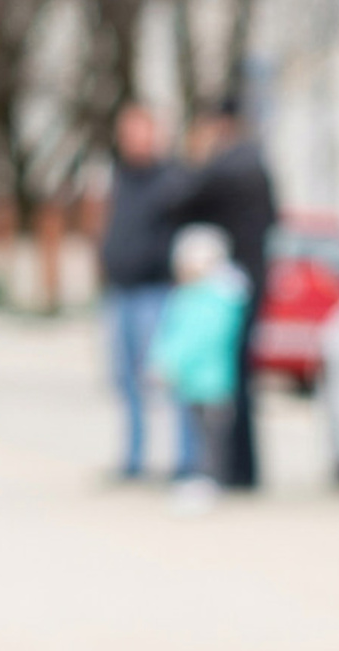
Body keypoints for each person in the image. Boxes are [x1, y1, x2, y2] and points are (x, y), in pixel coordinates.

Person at [175, 97, 277, 491]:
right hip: (251, 281)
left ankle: (223, 469)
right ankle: (245, 470)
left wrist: (195, 158)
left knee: (218, 380)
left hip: (225, 290)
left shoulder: (223, 166)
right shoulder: (258, 165)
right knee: (241, 378)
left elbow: (179, 201)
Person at [99, 103, 185, 480]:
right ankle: (133, 459)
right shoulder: (118, 177)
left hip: (156, 292)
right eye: (129, 132)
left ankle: (187, 460)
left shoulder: (173, 179)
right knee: (124, 381)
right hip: (120, 292)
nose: (135, 139)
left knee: (168, 378)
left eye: (142, 131)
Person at [151, 225, 250, 511]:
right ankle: (199, 477)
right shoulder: (187, 296)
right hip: (191, 381)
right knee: (197, 432)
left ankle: (211, 480)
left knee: (213, 436)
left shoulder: (218, 299)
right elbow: (171, 332)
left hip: (212, 382)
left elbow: (198, 337)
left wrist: (171, 361)